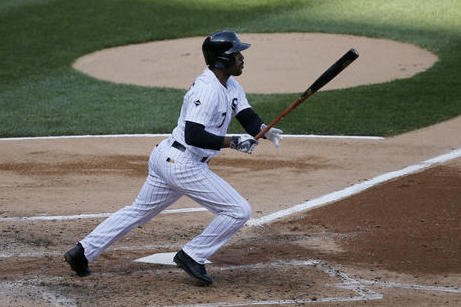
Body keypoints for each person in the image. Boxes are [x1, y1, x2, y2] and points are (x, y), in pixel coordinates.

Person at [64, 30, 283, 286]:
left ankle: (82, 252)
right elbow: (194, 135)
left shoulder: (230, 85)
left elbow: (246, 115)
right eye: (237, 54)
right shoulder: (208, 90)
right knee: (238, 211)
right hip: (183, 162)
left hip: (168, 158)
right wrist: (232, 142)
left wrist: (264, 130)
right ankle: (192, 255)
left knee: (138, 211)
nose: (242, 58)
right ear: (223, 59)